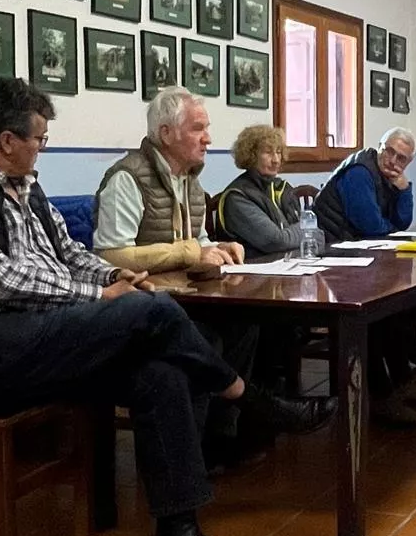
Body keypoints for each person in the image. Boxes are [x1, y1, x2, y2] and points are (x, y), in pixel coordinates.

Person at [0, 78, 253, 536]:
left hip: (32, 337)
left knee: (158, 372)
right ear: (7, 141)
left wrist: (112, 276)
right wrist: (99, 296)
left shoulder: (23, 183)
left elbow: (68, 253)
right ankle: (245, 393)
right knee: (152, 312)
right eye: (39, 139)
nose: (42, 150)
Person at [94, 88, 331, 458]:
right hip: (146, 303)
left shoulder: (190, 179)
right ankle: (202, 444)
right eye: (198, 129)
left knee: (247, 325)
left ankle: (222, 436)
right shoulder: (127, 178)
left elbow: (200, 240)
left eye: (207, 128)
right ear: (166, 133)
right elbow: (110, 254)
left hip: (188, 294)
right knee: (209, 338)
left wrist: (219, 250)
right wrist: (190, 251)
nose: (208, 138)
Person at [313, 127, 416, 425]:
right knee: (379, 310)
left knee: (408, 297)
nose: (393, 161)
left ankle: (402, 379)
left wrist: (404, 190)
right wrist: (388, 223)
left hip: (360, 256)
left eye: (402, 158)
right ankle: (380, 394)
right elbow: (372, 226)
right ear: (378, 147)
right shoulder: (359, 173)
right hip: (333, 258)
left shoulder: (388, 178)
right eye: (389, 151)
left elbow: (401, 223)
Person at [215, 124, 302, 257]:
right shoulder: (237, 196)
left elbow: (313, 236)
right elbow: (275, 241)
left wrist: (306, 232)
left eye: (278, 152)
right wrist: (307, 230)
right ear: (251, 155)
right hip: (251, 272)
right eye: (268, 152)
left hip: (287, 265)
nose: (276, 160)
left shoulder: (281, 188)